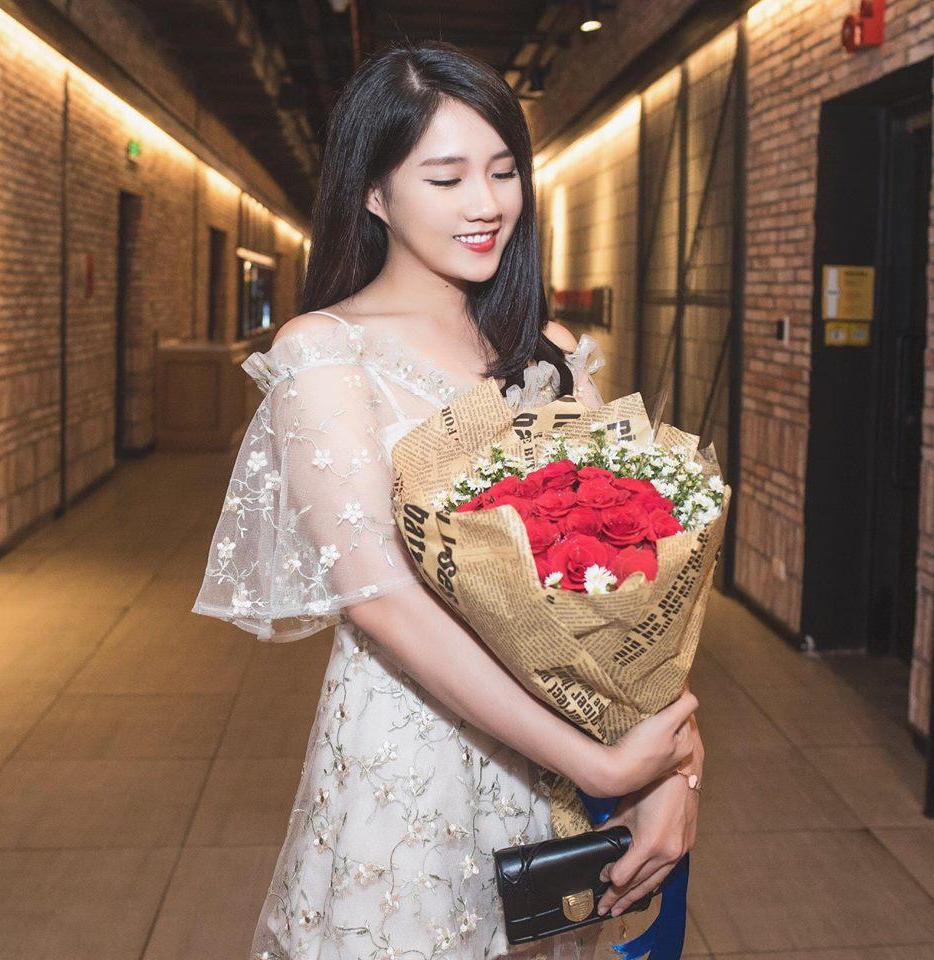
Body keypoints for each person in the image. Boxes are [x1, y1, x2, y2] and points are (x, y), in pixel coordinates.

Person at [192, 39, 704, 960]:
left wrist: (674, 767)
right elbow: (384, 602)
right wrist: (599, 764)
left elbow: (636, 577)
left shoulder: (550, 352)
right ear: (373, 193)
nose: (486, 203)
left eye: (503, 171)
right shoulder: (324, 353)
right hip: (412, 754)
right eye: (447, 177)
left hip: (564, 753)